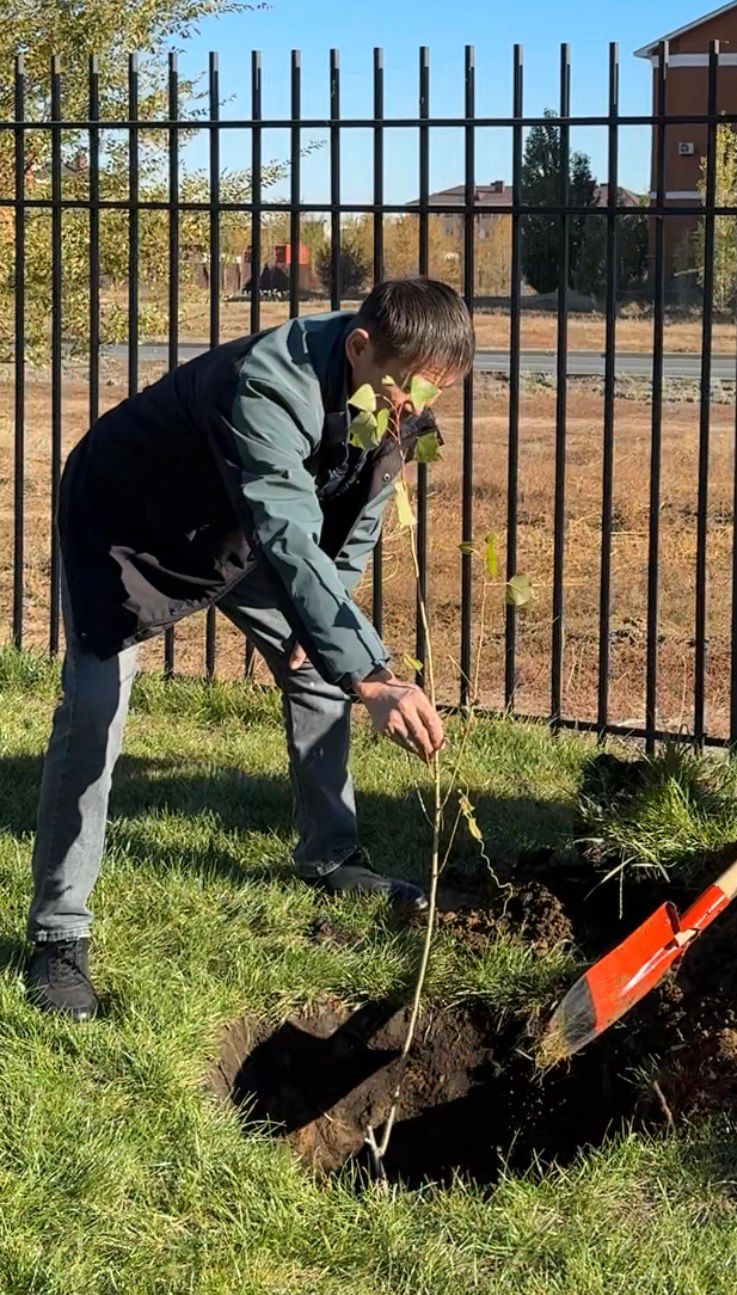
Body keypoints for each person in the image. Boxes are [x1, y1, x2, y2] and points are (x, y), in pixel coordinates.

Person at [26, 277, 473, 1020]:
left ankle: (331, 857)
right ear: (360, 347)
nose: (418, 410)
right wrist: (372, 674)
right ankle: (58, 933)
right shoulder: (268, 384)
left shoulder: (395, 387)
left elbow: (359, 516)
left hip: (238, 530)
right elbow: (289, 536)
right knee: (96, 708)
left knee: (321, 668)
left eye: (437, 393)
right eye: (413, 390)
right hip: (130, 525)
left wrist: (329, 636)